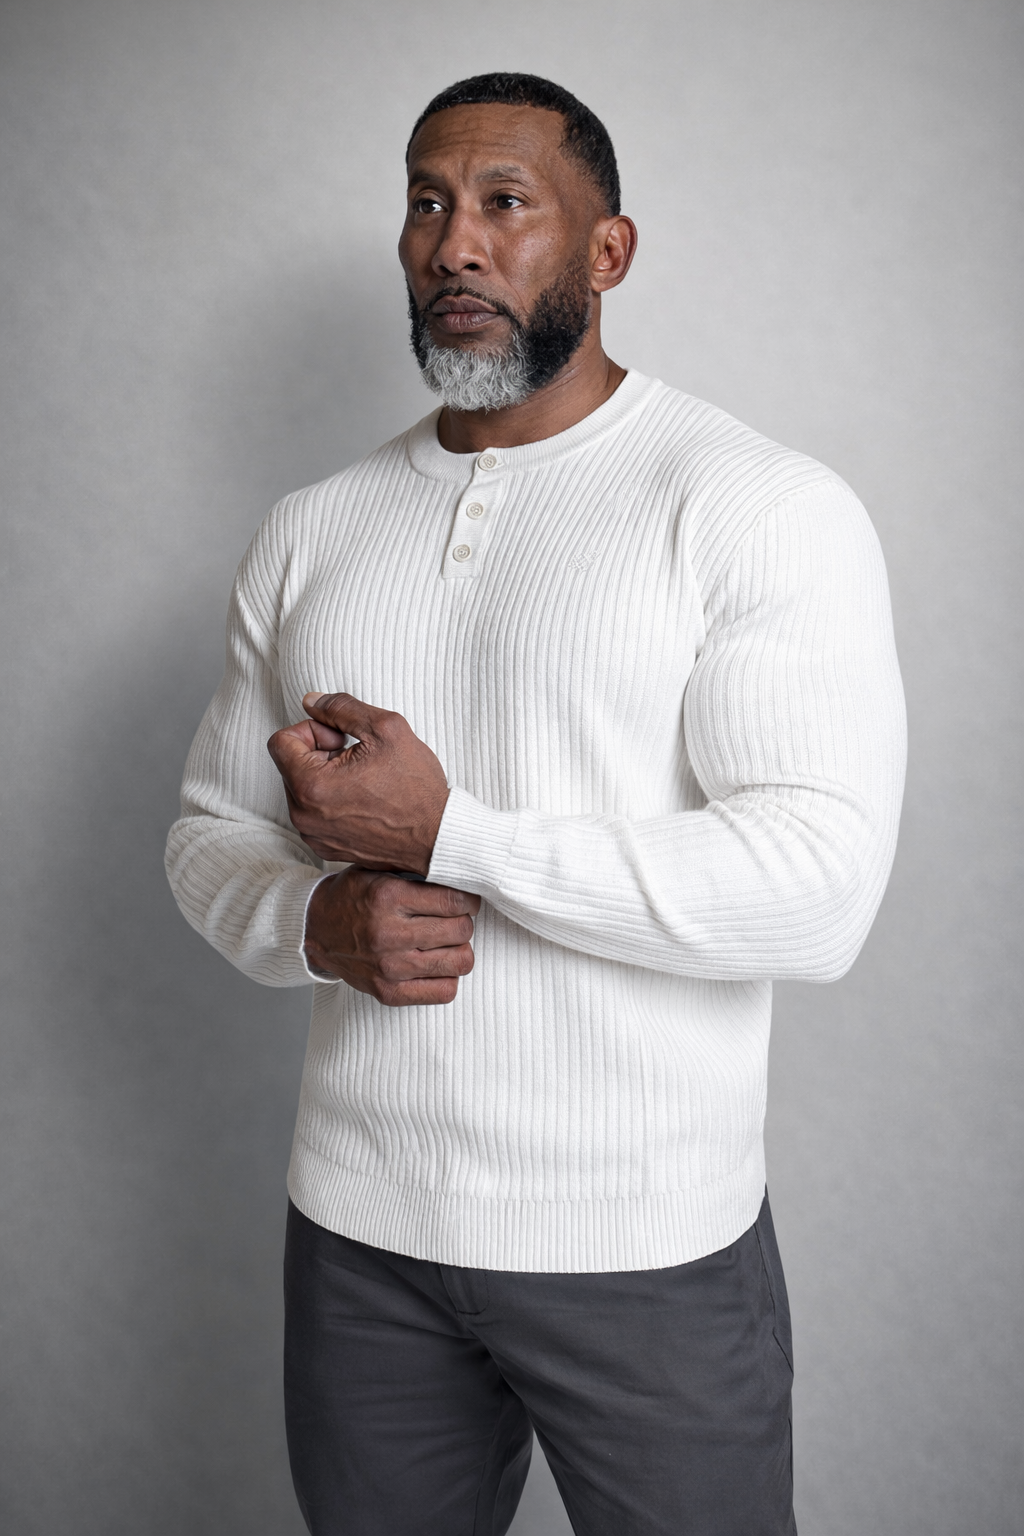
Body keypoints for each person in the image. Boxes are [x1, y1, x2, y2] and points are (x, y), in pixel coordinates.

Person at [166, 72, 906, 1536]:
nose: (455, 242)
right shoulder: (312, 529)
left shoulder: (754, 503)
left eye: (506, 203)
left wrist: (455, 838)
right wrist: (314, 921)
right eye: (427, 203)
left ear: (606, 251)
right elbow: (206, 834)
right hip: (360, 1230)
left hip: (646, 1246)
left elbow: (819, 890)